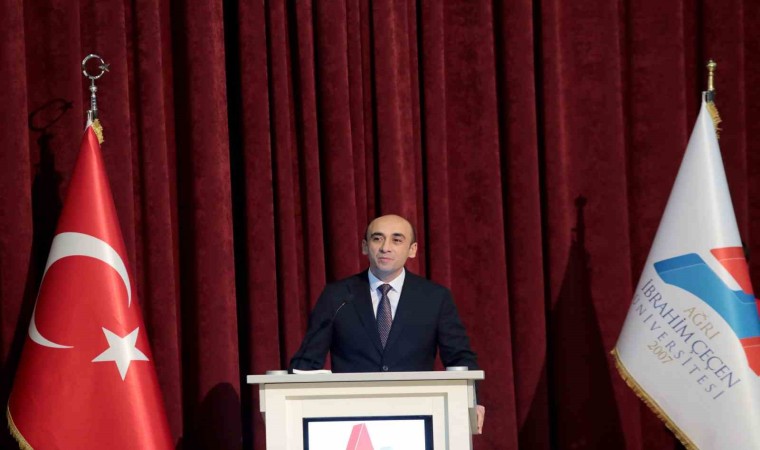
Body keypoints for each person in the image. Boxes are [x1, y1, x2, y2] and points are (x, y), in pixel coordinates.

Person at [289, 214, 485, 433]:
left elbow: (459, 357)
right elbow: (307, 361)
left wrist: (471, 401)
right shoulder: (338, 296)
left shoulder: (434, 298)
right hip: (351, 419)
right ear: (365, 246)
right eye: (377, 238)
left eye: (397, 240)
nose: (385, 247)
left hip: (417, 416)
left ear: (412, 250)